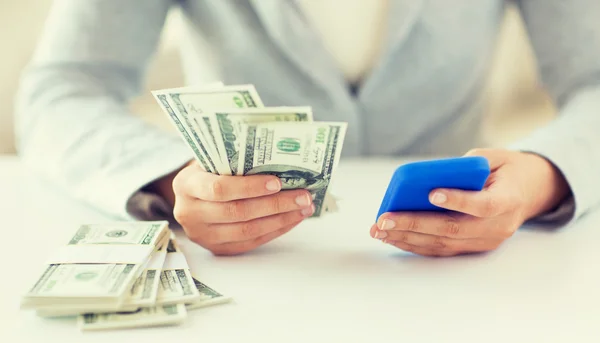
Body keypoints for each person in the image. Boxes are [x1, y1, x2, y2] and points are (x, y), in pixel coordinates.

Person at [15, 1, 600, 257]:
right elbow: (61, 92)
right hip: (254, 277)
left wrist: (543, 179)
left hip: (468, 265)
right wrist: (172, 182)